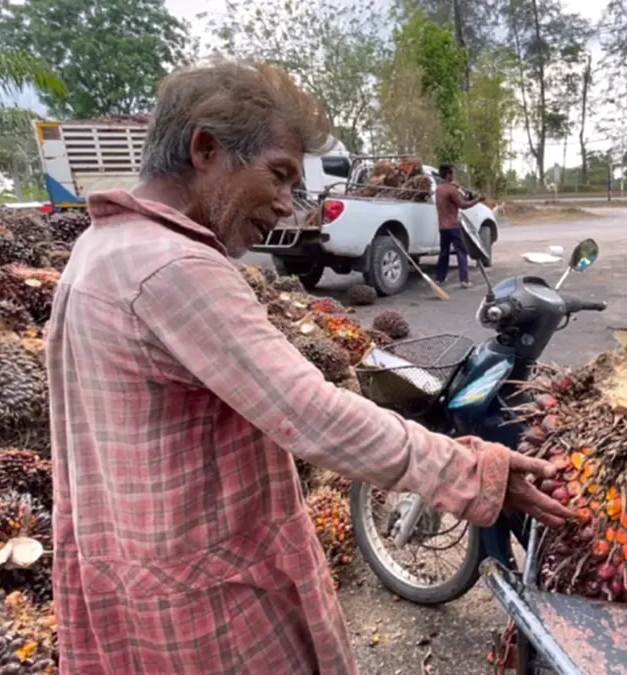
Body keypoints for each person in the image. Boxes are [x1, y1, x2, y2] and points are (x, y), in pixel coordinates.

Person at [46, 58, 572, 675]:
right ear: (205, 150)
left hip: (138, 569)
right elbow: (311, 413)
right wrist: (471, 472)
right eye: (278, 175)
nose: (288, 204)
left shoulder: (100, 249)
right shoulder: (174, 269)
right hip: (211, 601)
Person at [434, 163, 484, 289]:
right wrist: (477, 200)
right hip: (453, 226)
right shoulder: (452, 190)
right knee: (461, 252)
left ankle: (440, 278)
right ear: (449, 174)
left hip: (442, 227)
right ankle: (464, 280)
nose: (454, 175)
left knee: (443, 253)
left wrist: (456, 187)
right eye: (452, 173)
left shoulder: (439, 189)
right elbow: (463, 205)